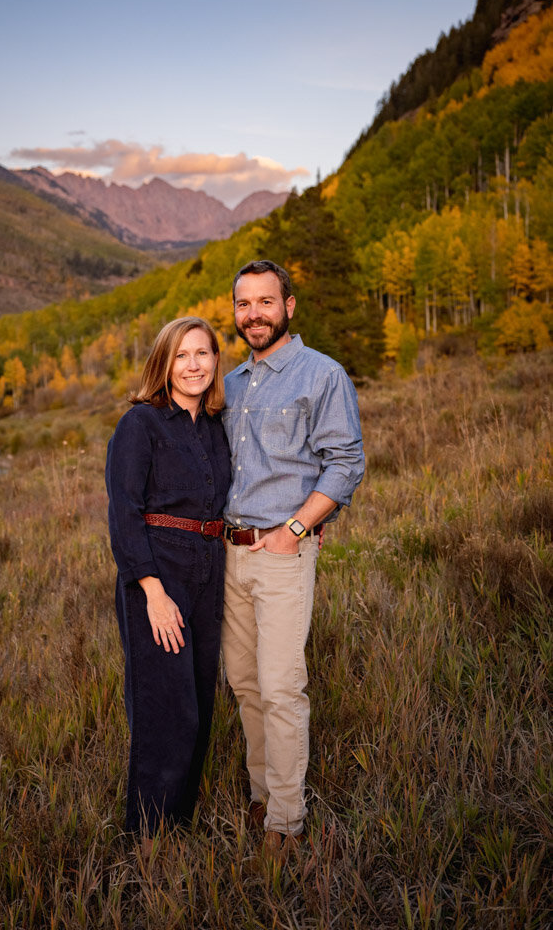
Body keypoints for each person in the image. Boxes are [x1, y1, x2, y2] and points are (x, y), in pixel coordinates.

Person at [221, 260, 364, 863]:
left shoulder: (320, 374)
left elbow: (346, 462)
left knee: (282, 687)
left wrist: (301, 526)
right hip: (227, 555)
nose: (254, 313)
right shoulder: (226, 384)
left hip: (281, 555)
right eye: (243, 304)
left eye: (265, 302)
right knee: (246, 684)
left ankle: (286, 819)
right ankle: (261, 791)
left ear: (289, 305)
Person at [105, 316, 231, 854]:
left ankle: (177, 827)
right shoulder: (141, 424)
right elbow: (125, 512)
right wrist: (153, 592)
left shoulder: (214, 427)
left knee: (200, 702)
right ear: (164, 363)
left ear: (214, 363)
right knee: (166, 707)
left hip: (210, 564)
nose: (194, 364)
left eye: (202, 354)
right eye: (182, 355)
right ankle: (147, 841)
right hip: (160, 572)